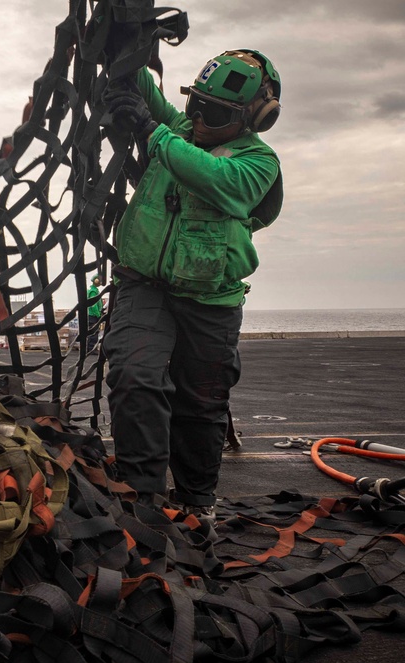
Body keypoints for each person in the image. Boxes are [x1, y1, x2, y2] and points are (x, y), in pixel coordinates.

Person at [101, 50, 284, 518]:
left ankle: (197, 505)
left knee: (202, 405)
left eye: (215, 112)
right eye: (194, 105)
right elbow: (144, 90)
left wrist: (152, 130)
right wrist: (122, 39)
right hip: (146, 285)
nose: (199, 119)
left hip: (212, 298)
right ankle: (141, 500)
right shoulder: (179, 132)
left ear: (252, 118)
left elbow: (216, 179)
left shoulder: (258, 162)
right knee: (134, 375)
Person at [86, 274, 103, 353]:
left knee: (93, 331)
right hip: (93, 315)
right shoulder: (93, 291)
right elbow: (93, 305)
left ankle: (90, 348)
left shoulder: (94, 290)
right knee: (94, 332)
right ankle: (91, 348)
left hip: (92, 314)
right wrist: (98, 314)